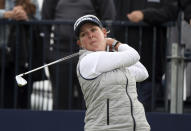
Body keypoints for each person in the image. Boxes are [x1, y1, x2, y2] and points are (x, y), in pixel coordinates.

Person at [74, 14, 150, 131]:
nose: (90, 35)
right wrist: (115, 44)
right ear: (80, 44)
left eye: (93, 30)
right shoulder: (88, 61)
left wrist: (114, 50)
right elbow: (134, 55)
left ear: (104, 33)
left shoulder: (113, 59)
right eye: (83, 34)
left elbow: (143, 73)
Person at [41, 0, 116, 109]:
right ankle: (61, 125)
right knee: (61, 101)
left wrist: (101, 50)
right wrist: (48, 53)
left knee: (90, 102)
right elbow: (45, 23)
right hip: (60, 54)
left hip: (90, 56)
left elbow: (109, 20)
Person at [113, 0, 180, 112]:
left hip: (150, 69)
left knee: (142, 116)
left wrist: (145, 15)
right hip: (121, 69)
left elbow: (172, 11)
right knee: (119, 116)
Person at [0, 0, 41, 108]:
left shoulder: (32, 2)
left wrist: (26, 18)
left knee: (22, 102)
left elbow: (40, 21)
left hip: (22, 57)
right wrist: (6, 14)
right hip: (2, 57)